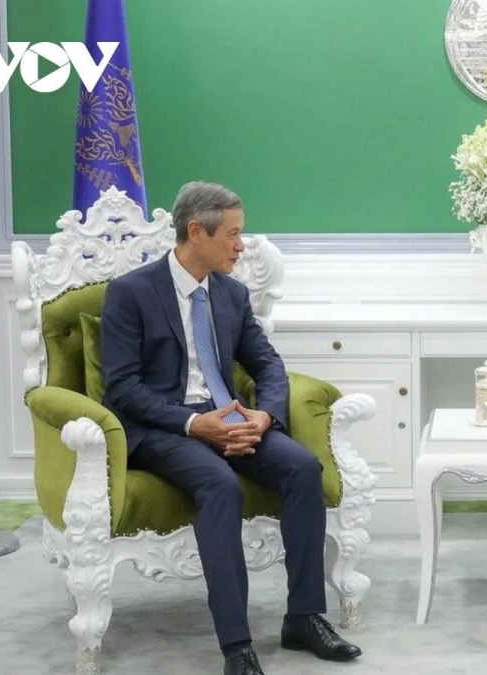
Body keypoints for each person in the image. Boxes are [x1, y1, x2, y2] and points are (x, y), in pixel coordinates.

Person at [101, 181, 362, 675]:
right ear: (196, 232)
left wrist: (265, 417)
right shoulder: (131, 293)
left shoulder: (232, 294)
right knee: (220, 486)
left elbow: (267, 366)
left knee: (303, 468)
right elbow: (122, 389)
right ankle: (236, 645)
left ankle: (304, 618)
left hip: (234, 419)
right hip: (167, 428)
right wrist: (197, 423)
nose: (242, 246)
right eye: (234, 235)